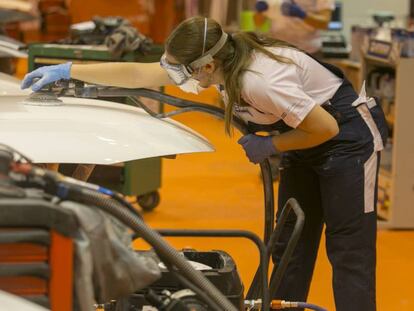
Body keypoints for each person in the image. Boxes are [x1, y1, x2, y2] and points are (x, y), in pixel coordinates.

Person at [21, 16, 387, 311]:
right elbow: (139, 75)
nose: (179, 78)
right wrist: (69, 70)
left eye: (184, 71)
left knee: (348, 250)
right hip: (303, 137)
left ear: (208, 65)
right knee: (290, 243)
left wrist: (272, 144)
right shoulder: (220, 64)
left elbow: (326, 127)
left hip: (346, 140)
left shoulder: (261, 81)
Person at [255, 0, 335, 57]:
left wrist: (302, 14)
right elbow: (258, 23)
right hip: (278, 50)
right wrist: (259, 12)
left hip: (308, 52)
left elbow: (324, 23)